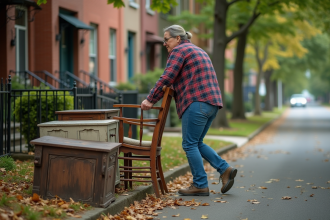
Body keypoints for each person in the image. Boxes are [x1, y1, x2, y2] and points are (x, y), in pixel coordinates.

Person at [141, 25, 237, 196]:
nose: (164, 43)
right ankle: (225, 169)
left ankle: (200, 184)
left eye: (166, 39)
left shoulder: (179, 51)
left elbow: (167, 76)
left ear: (178, 38)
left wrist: (150, 99)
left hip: (197, 102)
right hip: (212, 103)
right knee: (197, 142)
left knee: (189, 144)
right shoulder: (198, 50)